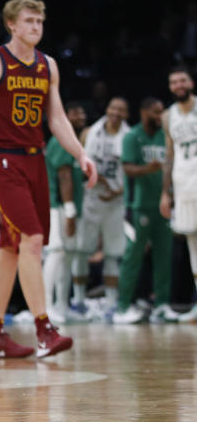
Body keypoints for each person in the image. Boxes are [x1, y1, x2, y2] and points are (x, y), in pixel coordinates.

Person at [0, 0, 97, 359]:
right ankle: (45, 330)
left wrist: (81, 153)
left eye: (40, 22)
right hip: (1, 161)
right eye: (28, 21)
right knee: (33, 238)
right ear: (11, 24)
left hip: (34, 160)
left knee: (11, 250)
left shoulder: (48, 66)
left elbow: (56, 119)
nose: (35, 28)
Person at [114, 98, 176, 323]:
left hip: (162, 206)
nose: (160, 116)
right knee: (133, 257)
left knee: (164, 256)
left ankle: (162, 304)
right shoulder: (132, 136)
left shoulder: (165, 136)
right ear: (143, 112)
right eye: (155, 112)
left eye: (162, 112)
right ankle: (122, 308)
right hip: (137, 206)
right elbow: (127, 168)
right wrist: (146, 169)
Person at [75, 97, 130, 315]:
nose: (116, 112)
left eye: (121, 109)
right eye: (113, 107)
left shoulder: (129, 136)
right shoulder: (89, 133)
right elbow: (79, 166)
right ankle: (78, 300)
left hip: (117, 200)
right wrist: (102, 183)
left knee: (113, 253)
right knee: (81, 250)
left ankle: (111, 302)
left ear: (126, 114)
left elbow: (132, 168)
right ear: (106, 108)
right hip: (92, 199)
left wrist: (119, 190)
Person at [42, 102, 86, 325]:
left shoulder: (73, 139)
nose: (82, 115)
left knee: (67, 256)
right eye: (76, 112)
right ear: (64, 115)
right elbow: (64, 176)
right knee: (56, 253)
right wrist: (70, 210)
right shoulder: (61, 139)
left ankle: (62, 305)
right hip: (57, 206)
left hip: (68, 206)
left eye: (82, 112)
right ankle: (46, 308)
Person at [161, 66, 197, 322]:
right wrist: (166, 193)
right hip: (183, 185)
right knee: (193, 246)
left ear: (191, 82)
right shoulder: (167, 116)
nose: (178, 85)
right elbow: (169, 155)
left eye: (182, 80)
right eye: (173, 82)